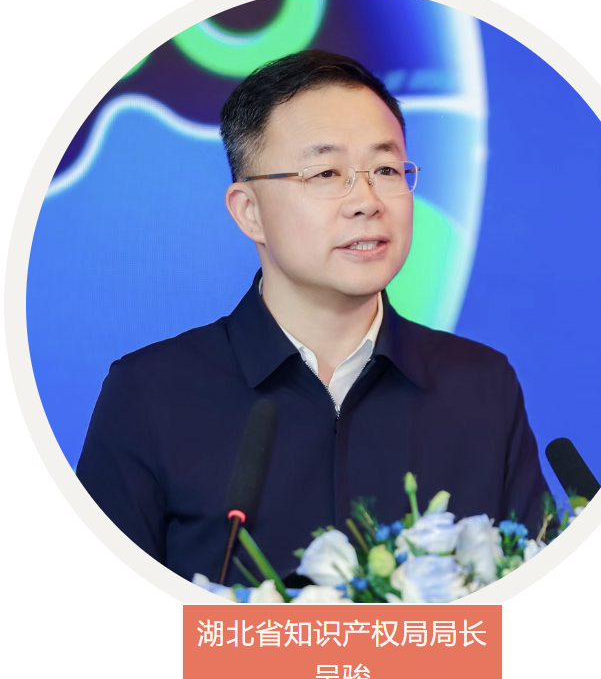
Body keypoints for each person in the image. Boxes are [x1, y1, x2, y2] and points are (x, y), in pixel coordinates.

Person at [77, 49, 552, 585]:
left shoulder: (480, 386)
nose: (366, 201)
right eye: (326, 172)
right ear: (249, 212)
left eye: (386, 169)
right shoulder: (151, 393)